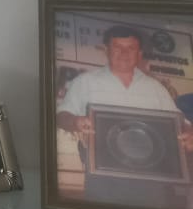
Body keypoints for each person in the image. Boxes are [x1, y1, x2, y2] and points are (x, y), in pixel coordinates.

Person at [57, 25, 193, 152]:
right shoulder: (84, 81)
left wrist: (189, 131)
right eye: (117, 47)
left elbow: (179, 121)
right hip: (100, 162)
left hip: (150, 163)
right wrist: (75, 122)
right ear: (106, 51)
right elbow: (61, 116)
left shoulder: (156, 88)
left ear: (139, 54)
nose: (124, 53)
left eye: (131, 48)